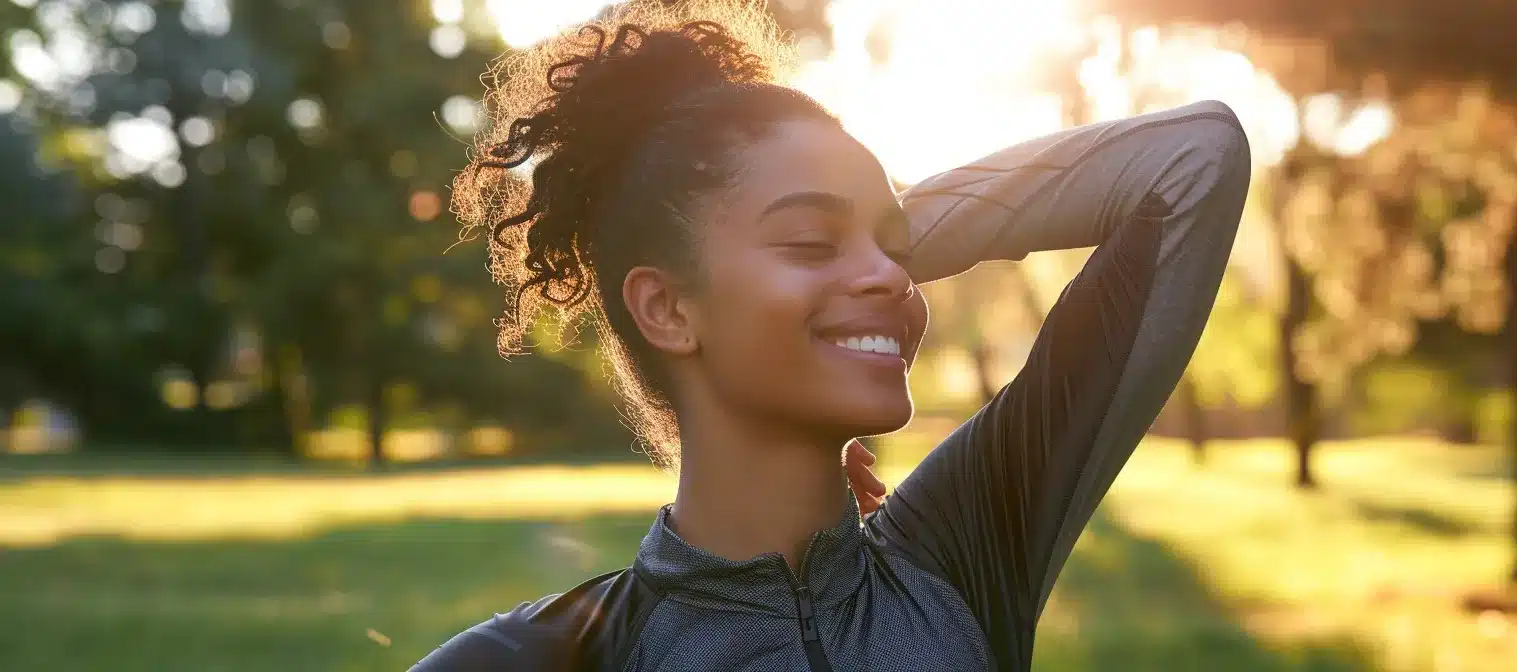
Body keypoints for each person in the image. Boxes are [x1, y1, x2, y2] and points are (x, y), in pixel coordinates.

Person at [416, 1, 1249, 669]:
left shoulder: (963, 554)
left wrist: (880, 230)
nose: (895, 276)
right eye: (810, 243)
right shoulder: (556, 656)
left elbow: (1195, 159)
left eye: (899, 248)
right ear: (667, 309)